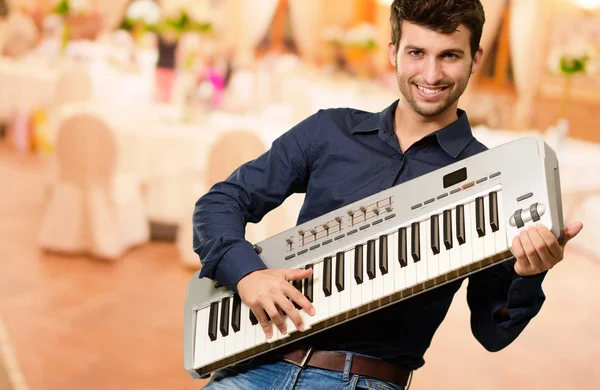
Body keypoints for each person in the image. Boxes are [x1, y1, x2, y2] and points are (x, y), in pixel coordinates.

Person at [192, 1, 583, 389]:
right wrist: (246, 273)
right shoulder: (328, 130)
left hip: (360, 380)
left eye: (449, 55)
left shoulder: (496, 180)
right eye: (417, 53)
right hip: (252, 365)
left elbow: (491, 332)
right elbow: (220, 202)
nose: (431, 74)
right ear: (394, 51)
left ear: (475, 58)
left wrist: (528, 276)